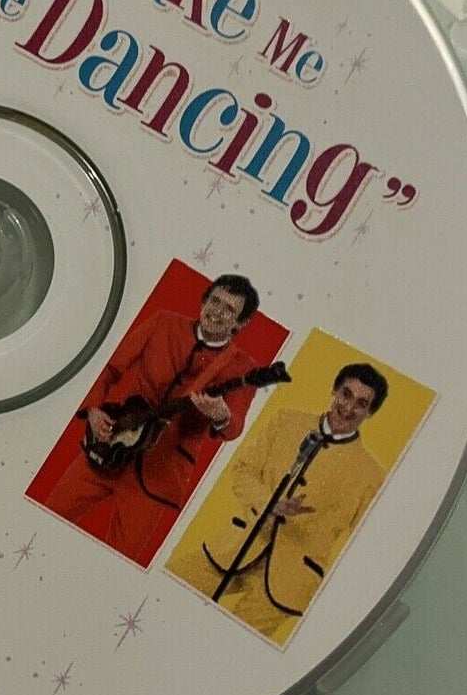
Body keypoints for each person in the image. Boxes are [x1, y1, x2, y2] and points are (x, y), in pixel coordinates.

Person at [42, 274, 261, 562]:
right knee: (43, 519)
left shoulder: (243, 368)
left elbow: (233, 428)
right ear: (204, 300)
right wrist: (94, 410)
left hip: (157, 479)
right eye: (215, 301)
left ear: (240, 324)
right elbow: (109, 367)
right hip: (108, 447)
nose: (217, 312)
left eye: (229, 309)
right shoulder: (163, 322)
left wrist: (221, 415)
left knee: (114, 565)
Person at [166, 361, 389, 644]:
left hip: (290, 581)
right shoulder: (287, 421)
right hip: (237, 545)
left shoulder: (371, 475)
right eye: (346, 394)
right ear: (334, 390)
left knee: (231, 647)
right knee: (169, 587)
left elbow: (367, 547)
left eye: (361, 403)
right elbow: (242, 471)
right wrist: (269, 502)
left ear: (370, 413)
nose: (349, 407)